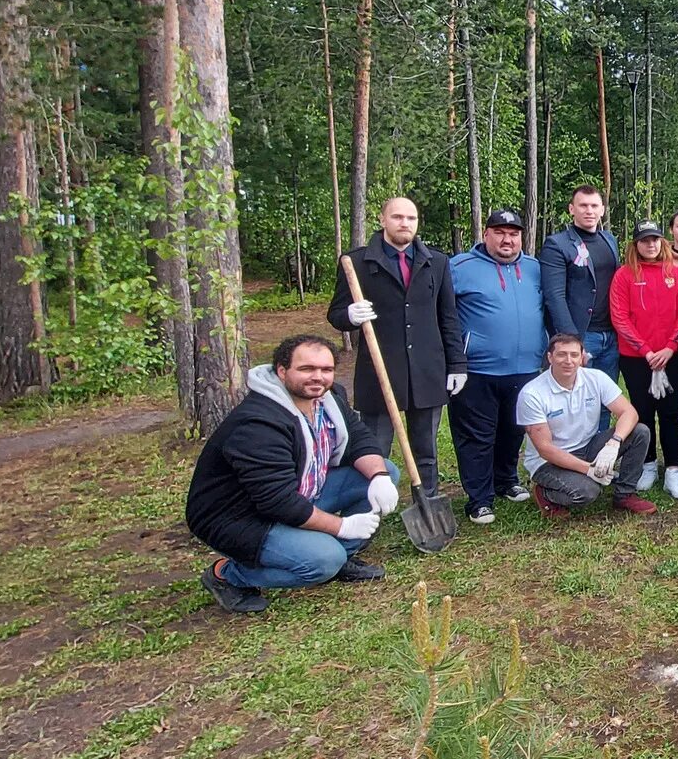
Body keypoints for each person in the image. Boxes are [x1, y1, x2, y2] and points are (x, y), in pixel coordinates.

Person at [189, 335, 399, 613]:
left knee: (385, 470)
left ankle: (340, 558)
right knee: (322, 560)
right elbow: (277, 502)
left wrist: (379, 477)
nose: (318, 377)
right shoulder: (259, 423)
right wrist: (343, 527)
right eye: (306, 369)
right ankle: (227, 575)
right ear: (281, 371)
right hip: (241, 517)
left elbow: (358, 439)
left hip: (302, 492)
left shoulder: (329, 398)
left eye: (326, 370)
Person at [327, 196, 465, 492]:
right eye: (398, 217)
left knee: (426, 449)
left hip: (427, 370)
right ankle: (369, 505)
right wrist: (350, 315)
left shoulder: (436, 262)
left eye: (411, 218)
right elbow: (336, 314)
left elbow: (448, 318)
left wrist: (457, 364)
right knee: (374, 448)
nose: (405, 223)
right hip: (380, 371)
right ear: (382, 220)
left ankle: (427, 499)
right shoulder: (357, 262)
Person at [447, 209, 545, 524]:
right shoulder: (459, 267)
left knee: (513, 429)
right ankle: (479, 498)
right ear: (486, 234)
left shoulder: (534, 268)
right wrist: (454, 360)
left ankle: (506, 480)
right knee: (477, 436)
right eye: (500, 232)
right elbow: (443, 317)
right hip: (476, 370)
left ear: (521, 237)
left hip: (526, 368)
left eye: (513, 233)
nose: (507, 239)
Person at [516, 332, 657, 518]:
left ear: (582, 357)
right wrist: (588, 470)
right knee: (588, 492)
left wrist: (614, 443)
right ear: (550, 357)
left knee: (639, 431)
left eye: (574, 355)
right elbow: (545, 449)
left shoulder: (595, 378)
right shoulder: (532, 394)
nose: (568, 360)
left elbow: (629, 413)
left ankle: (625, 495)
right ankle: (545, 493)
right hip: (548, 462)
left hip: (587, 446)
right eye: (561, 354)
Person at [608, 221, 678, 498]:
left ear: (662, 242)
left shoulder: (676, 274)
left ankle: (673, 470)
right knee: (643, 412)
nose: (651, 245)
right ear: (636, 245)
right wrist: (646, 350)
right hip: (636, 358)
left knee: (670, 413)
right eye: (645, 240)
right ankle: (647, 466)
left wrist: (669, 347)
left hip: (672, 355)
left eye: (655, 239)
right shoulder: (624, 275)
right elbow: (620, 318)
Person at [537, 185, 621, 381]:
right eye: (583, 205)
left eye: (594, 205)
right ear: (571, 209)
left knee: (604, 401)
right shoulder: (557, 245)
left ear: (602, 210)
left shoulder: (610, 240)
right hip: (582, 335)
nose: (589, 211)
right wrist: (572, 341)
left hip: (610, 336)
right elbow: (554, 296)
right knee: (575, 400)